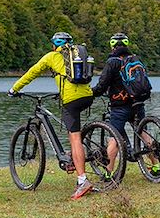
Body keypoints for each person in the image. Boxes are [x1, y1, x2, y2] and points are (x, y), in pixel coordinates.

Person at [8, 31, 96, 199]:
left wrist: (14, 89)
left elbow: (31, 73)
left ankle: (82, 180)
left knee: (75, 137)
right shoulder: (77, 55)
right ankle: (73, 159)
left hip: (71, 99)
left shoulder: (51, 57)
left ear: (55, 45)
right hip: (87, 95)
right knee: (73, 132)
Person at [91, 32, 159, 176]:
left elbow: (102, 85)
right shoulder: (135, 59)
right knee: (142, 133)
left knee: (114, 138)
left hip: (119, 105)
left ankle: (109, 173)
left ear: (112, 46)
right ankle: (156, 166)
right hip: (137, 103)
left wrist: (92, 93)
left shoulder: (112, 62)